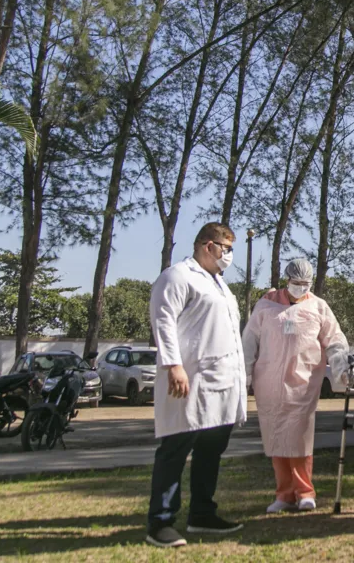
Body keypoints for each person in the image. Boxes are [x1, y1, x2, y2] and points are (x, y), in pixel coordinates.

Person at [146, 222, 247, 548]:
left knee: (210, 450)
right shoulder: (177, 276)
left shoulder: (220, 285)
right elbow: (163, 320)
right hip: (189, 381)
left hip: (222, 383)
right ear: (208, 245)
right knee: (175, 450)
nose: (229, 255)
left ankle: (202, 513)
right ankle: (160, 522)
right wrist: (173, 365)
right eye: (226, 248)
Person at [242, 259, 350, 514]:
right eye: (296, 283)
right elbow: (249, 342)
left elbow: (335, 339)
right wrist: (244, 375)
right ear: (287, 280)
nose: (301, 287)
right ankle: (284, 493)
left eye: (305, 284)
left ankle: (305, 492)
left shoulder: (318, 307)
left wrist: (339, 366)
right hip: (268, 383)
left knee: (300, 439)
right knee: (276, 437)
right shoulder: (266, 305)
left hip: (303, 383)